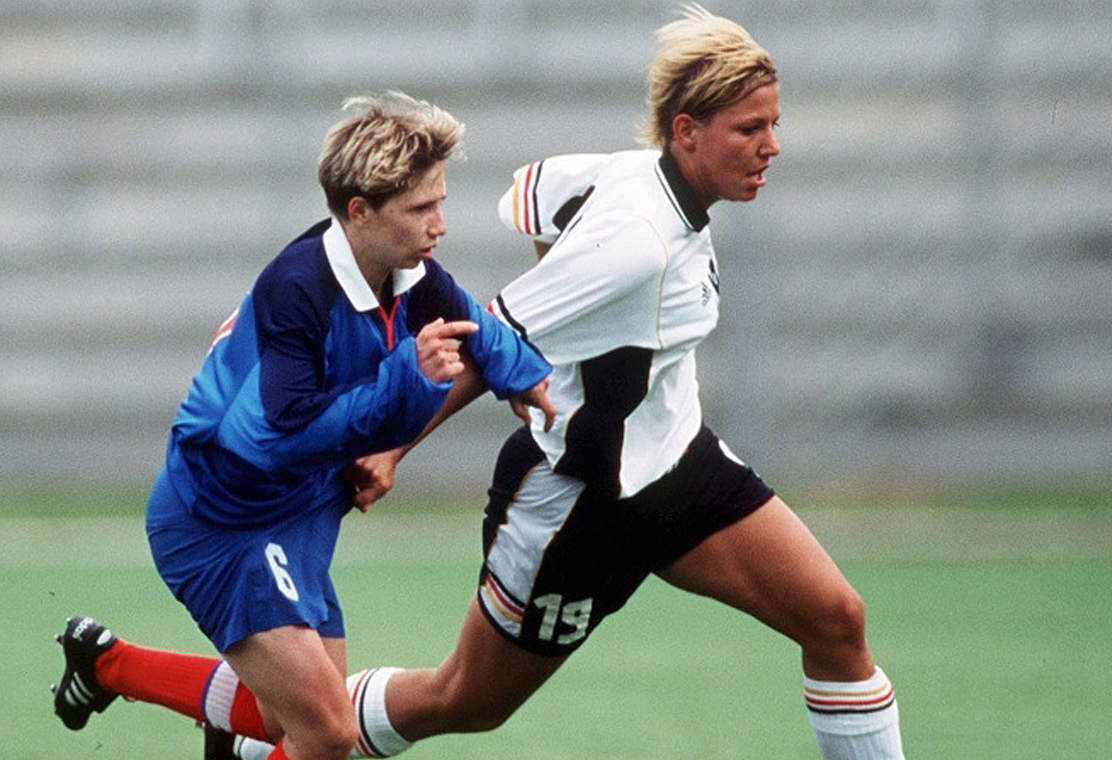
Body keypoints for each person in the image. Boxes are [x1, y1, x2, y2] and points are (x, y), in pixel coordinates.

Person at [227, 6, 905, 760]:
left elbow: (530, 192)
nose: (771, 146)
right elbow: (488, 340)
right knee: (467, 700)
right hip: (579, 501)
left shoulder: (631, 176)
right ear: (686, 131)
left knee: (837, 620)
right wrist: (392, 448)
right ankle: (271, 734)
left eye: (774, 125)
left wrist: (583, 319)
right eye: (750, 129)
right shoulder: (635, 245)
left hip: (679, 466)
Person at [51, 91, 554, 760]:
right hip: (222, 522)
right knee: (329, 731)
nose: (440, 225)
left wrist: (525, 376)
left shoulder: (408, 273)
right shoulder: (295, 291)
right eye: (421, 209)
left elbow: (475, 327)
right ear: (360, 212)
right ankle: (117, 671)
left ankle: (106, 663)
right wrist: (407, 377)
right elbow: (274, 436)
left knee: (285, 720)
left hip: (300, 511)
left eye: (440, 202)